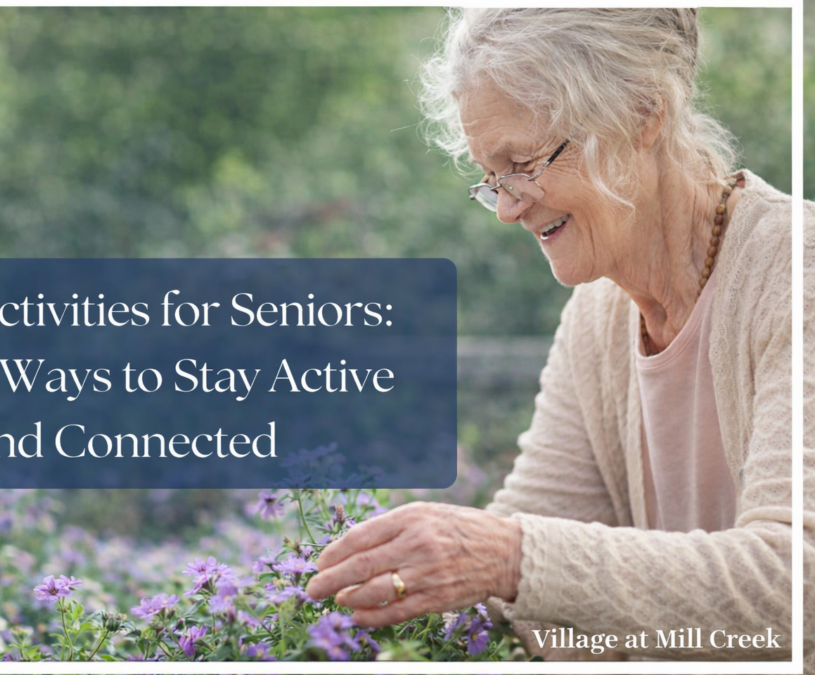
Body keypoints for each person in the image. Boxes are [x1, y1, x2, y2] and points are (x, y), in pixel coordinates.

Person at [304, 8, 815, 663]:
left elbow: (796, 585)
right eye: (491, 178)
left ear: (642, 113)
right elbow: (530, 572)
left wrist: (509, 559)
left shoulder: (796, 274)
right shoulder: (598, 316)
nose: (506, 208)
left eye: (522, 163)